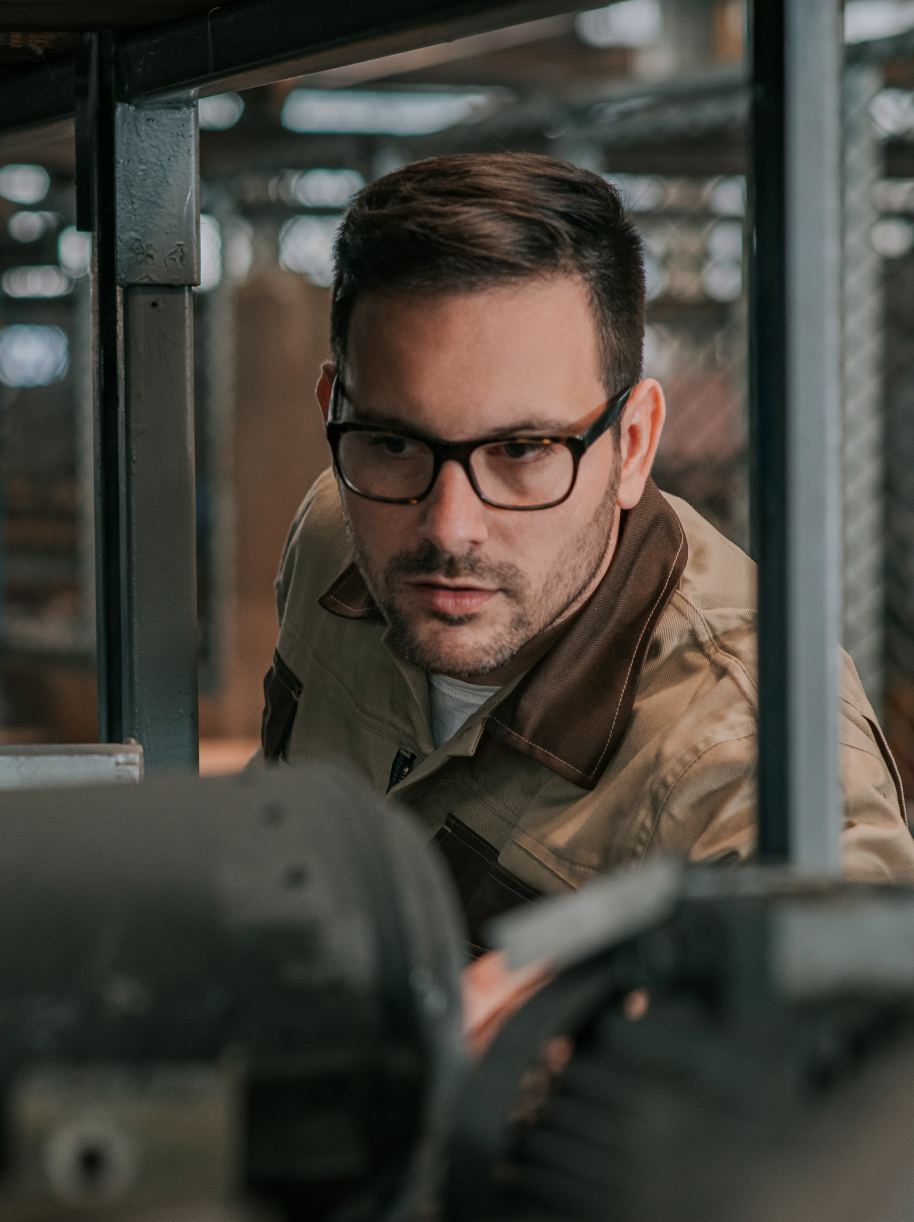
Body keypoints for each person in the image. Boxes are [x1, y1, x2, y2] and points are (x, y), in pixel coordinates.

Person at [260, 152, 914, 957]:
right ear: (334, 413)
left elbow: (861, 1043)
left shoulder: (743, 750)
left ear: (632, 444)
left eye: (524, 449)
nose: (447, 528)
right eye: (394, 442)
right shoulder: (335, 529)